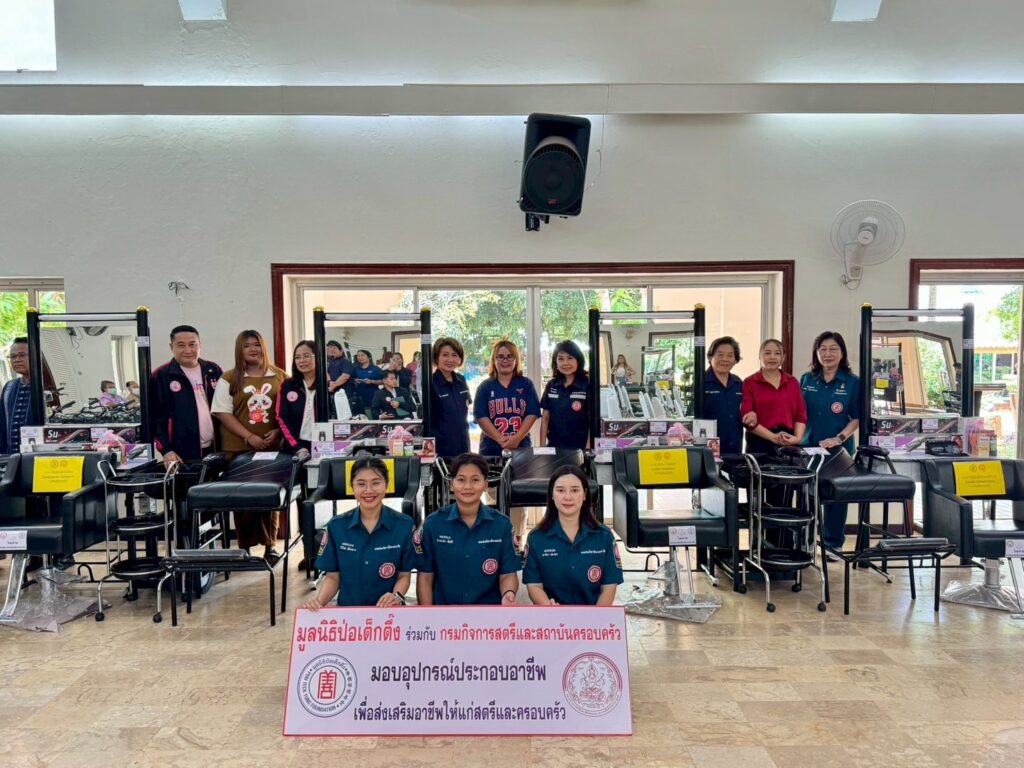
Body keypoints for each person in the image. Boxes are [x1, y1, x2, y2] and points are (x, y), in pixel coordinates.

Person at [211, 330, 286, 562]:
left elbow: (289, 411)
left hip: (271, 449)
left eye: (256, 344)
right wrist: (249, 436)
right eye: (246, 346)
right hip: (238, 449)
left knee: (268, 498)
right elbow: (222, 412)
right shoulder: (229, 378)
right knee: (243, 499)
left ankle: (270, 546)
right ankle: (244, 547)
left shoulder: (280, 376)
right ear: (239, 350)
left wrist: (279, 431)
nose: (253, 349)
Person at [304, 456, 415, 609]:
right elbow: (332, 578)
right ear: (352, 487)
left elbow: (404, 576)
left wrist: (396, 596)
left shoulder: (404, 525)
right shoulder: (336, 526)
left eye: (376, 483)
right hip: (349, 614)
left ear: (386, 485)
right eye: (361, 484)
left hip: (389, 613)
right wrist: (319, 602)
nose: (368, 490)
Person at [416, 452, 520, 606]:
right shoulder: (433, 524)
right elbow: (425, 577)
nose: (468, 486)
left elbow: (508, 574)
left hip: (488, 614)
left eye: (475, 480)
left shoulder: (502, 525)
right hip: (445, 613)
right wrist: (428, 615)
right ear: (451, 484)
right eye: (461, 480)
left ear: (485, 485)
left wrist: (508, 593)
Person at [523, 466, 623, 605]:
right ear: (552, 495)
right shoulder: (536, 538)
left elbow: (609, 588)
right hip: (551, 615)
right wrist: (549, 608)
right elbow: (534, 586)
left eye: (575, 490)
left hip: (593, 615)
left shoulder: (604, 536)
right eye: (560, 490)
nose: (568, 497)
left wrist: (597, 616)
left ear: (585, 494)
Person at [800, 331, 862, 552]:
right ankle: (805, 543)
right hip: (808, 447)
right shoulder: (806, 379)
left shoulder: (853, 383)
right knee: (806, 496)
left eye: (833, 349)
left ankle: (833, 544)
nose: (828, 354)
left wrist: (839, 438)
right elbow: (798, 413)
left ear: (842, 353)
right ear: (816, 353)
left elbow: (857, 417)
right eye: (823, 349)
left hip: (838, 451)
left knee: (836, 496)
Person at [150, 325, 223, 468]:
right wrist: (166, 450)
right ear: (171, 347)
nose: (188, 350)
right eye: (181, 345)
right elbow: (154, 417)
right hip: (181, 452)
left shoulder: (213, 370)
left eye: (192, 344)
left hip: (216, 448)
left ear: (200, 345)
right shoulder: (161, 376)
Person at [473, 339, 540, 456]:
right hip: (490, 448)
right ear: (493, 360)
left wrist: (517, 438)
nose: (505, 360)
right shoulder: (484, 387)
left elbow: (532, 414)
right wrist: (500, 439)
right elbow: (481, 417)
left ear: (516, 360)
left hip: (521, 446)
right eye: (500, 357)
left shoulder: (526, 384)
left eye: (510, 357)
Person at [740, 338, 806, 453]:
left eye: (777, 353)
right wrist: (772, 437)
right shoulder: (750, 382)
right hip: (759, 441)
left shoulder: (792, 382)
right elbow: (747, 417)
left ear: (783, 357)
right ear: (759, 357)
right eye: (767, 353)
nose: (772, 357)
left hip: (788, 440)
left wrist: (797, 438)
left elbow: (800, 415)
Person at [277, 340, 327, 454]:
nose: (302, 360)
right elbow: (282, 418)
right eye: (297, 357)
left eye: (306, 356)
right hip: (296, 447)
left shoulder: (328, 385)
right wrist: (297, 447)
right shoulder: (288, 385)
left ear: (319, 357)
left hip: (325, 445)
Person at [539, 340, 590, 449]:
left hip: (580, 448)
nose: (565, 363)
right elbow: (545, 418)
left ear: (578, 360)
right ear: (556, 362)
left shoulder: (587, 385)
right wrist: (542, 448)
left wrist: (588, 448)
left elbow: (592, 420)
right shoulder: (551, 385)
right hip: (554, 447)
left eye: (570, 358)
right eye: (561, 359)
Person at [429, 337, 471, 458]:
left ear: (459, 359)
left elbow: (466, 406)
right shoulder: (431, 383)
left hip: (463, 445)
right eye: (445, 355)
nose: (450, 359)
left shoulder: (461, 380)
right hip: (441, 449)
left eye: (454, 355)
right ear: (436, 357)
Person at [703, 336, 744, 455]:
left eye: (730, 355)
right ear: (710, 357)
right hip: (708, 449)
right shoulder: (701, 382)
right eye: (720, 355)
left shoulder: (738, 383)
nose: (725, 359)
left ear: (735, 360)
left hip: (735, 448)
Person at [0, 337, 34, 455]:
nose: (17, 360)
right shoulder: (9, 387)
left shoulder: (47, 385)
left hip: (39, 459)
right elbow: (2, 425)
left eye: (22, 355)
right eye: (13, 356)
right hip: (11, 458)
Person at [352, 349, 383, 418]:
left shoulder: (375, 369)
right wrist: (355, 380)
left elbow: (383, 381)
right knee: (360, 415)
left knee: (371, 415)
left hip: (372, 395)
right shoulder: (356, 368)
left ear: (369, 357)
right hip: (359, 395)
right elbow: (351, 378)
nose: (360, 357)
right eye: (358, 356)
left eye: (362, 355)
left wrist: (372, 381)